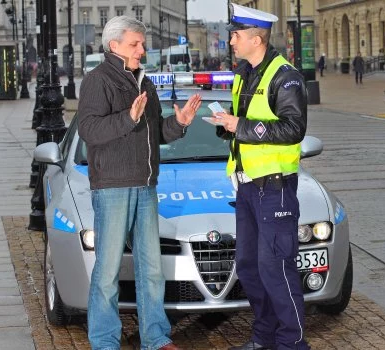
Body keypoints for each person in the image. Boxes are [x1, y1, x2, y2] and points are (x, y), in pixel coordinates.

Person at [77, 16, 201, 350]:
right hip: (113, 187)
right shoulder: (97, 80)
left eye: (142, 44)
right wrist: (128, 118)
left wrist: (179, 123)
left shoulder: (143, 81)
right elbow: (88, 130)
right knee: (107, 272)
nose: (142, 50)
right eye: (135, 44)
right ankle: (104, 342)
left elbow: (156, 132)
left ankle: (156, 338)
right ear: (113, 45)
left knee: (151, 270)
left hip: (146, 185)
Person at [213, 3, 310, 350]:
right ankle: (265, 338)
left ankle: (292, 343)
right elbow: (249, 126)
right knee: (250, 268)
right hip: (247, 186)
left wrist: (241, 126)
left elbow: (293, 128)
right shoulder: (244, 73)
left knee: (277, 270)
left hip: (275, 188)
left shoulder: (286, 77)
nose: (231, 42)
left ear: (256, 38)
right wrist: (228, 127)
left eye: (235, 36)